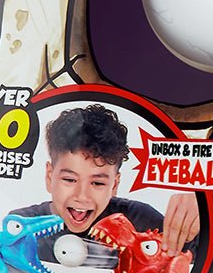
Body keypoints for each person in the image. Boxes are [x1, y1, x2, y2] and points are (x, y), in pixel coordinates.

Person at [13, 104, 199, 258]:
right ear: (49, 176)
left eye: (97, 183)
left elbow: (200, 257)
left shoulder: (140, 222)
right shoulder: (20, 226)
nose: (82, 196)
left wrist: (203, 208)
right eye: (69, 179)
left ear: (114, 185)